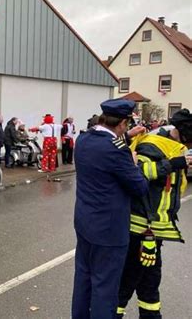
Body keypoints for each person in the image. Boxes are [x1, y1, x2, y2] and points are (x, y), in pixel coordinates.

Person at [72, 98, 149, 319]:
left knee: (83, 281)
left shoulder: (84, 139)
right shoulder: (118, 151)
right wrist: (134, 163)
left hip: (85, 224)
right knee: (105, 289)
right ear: (123, 123)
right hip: (109, 232)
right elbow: (139, 187)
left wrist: (127, 137)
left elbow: (104, 145)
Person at [116, 108, 192, 318]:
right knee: (128, 280)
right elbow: (138, 173)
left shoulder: (173, 146)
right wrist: (173, 164)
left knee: (149, 281)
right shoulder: (153, 144)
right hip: (141, 227)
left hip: (153, 228)